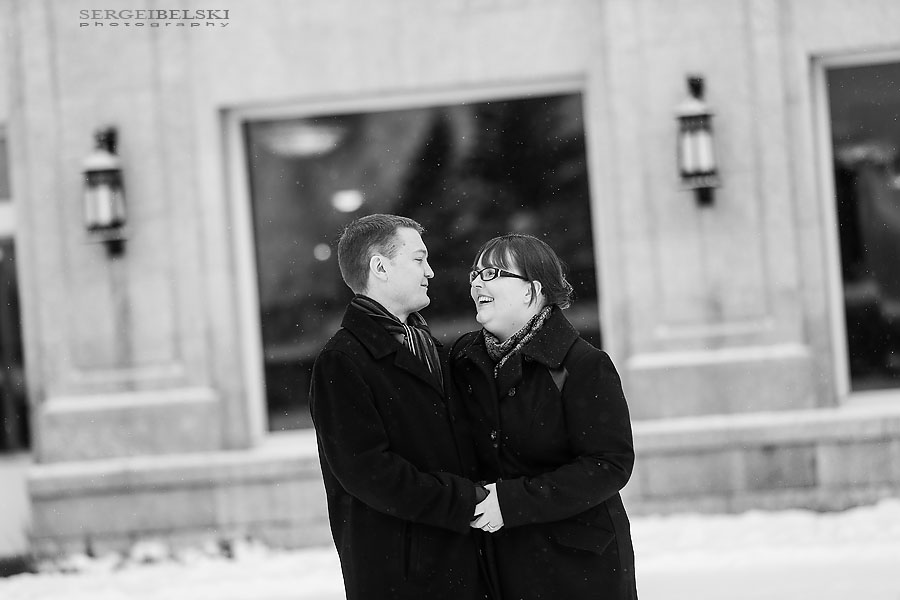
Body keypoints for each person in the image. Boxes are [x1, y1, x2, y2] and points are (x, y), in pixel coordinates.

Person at [309, 214, 492, 600]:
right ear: (380, 266)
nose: (430, 271)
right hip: (399, 573)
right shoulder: (342, 359)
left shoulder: (430, 347)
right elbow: (368, 472)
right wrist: (467, 500)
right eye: (418, 259)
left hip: (456, 561)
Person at [448, 233, 638, 600]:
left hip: (578, 566)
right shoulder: (463, 361)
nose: (476, 283)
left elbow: (609, 464)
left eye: (492, 274)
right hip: (498, 563)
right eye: (475, 274)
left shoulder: (583, 365)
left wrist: (511, 502)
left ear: (531, 290)